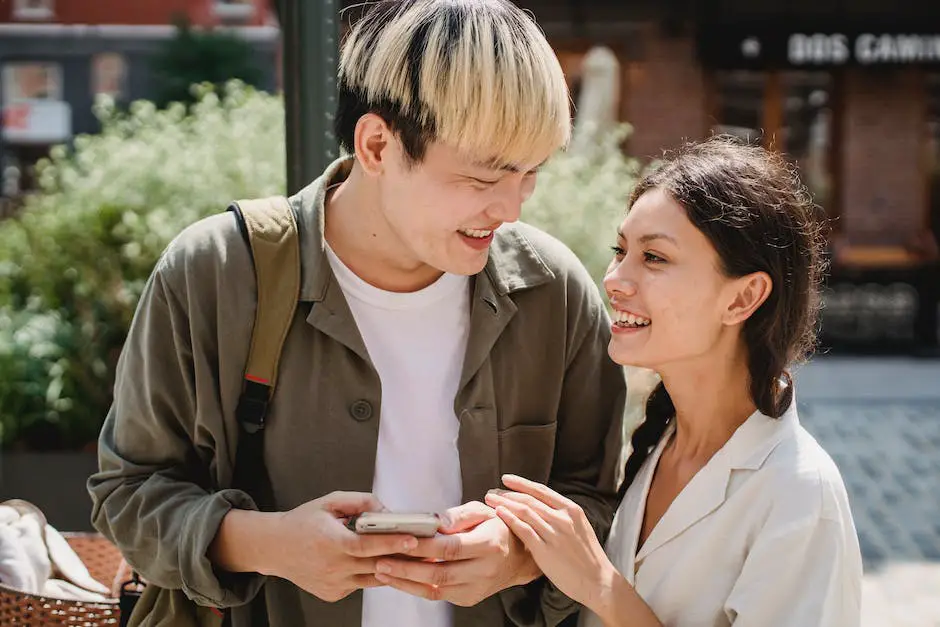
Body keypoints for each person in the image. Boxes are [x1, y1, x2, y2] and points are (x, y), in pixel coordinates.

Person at [87, 1, 626, 626]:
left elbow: (599, 502)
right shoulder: (217, 272)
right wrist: (269, 545)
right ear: (377, 144)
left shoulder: (552, 292)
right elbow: (126, 495)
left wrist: (517, 554)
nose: (511, 208)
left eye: (531, 175)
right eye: (483, 180)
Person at [484, 137, 863, 626]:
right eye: (619, 251)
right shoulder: (656, 448)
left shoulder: (799, 494)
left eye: (654, 258)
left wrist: (600, 585)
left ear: (743, 297)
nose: (615, 278)